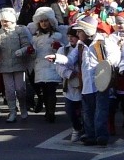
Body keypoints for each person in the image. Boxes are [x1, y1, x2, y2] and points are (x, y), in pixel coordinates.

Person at [49, 15, 120, 146]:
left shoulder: (103, 41)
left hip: (101, 83)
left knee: (101, 111)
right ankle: (90, 135)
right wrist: (56, 58)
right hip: (86, 84)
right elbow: (70, 60)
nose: (77, 33)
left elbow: (115, 55)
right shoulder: (80, 45)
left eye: (79, 31)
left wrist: (108, 63)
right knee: (87, 112)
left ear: (88, 31)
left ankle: (101, 135)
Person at [0, 7, 34, 123]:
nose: (4, 23)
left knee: (20, 89)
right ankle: (12, 111)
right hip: (5, 66)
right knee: (9, 90)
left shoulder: (19, 30)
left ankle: (23, 108)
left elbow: (27, 45)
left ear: (12, 21)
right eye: (2, 21)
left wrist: (22, 51)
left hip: (19, 64)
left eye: (6, 21)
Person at [28, 6, 65, 122]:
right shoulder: (35, 38)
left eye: (46, 21)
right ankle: (46, 107)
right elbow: (34, 54)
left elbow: (63, 50)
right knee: (43, 90)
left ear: (51, 22)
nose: (44, 23)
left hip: (51, 66)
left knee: (51, 90)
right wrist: (31, 52)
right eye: (41, 21)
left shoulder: (57, 36)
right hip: (39, 66)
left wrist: (58, 48)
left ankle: (51, 112)